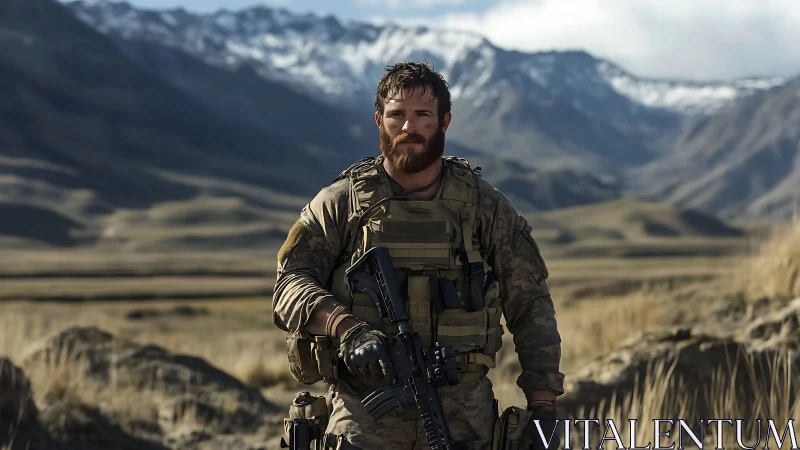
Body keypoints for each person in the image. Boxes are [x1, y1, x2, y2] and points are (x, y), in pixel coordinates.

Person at [273, 61, 564, 450]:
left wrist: (542, 407)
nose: (408, 127)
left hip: (463, 417)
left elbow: (530, 304)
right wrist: (347, 328)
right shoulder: (342, 204)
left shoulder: (484, 208)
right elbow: (289, 284)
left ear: (444, 121)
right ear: (379, 120)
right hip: (363, 416)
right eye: (397, 115)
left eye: (422, 115)